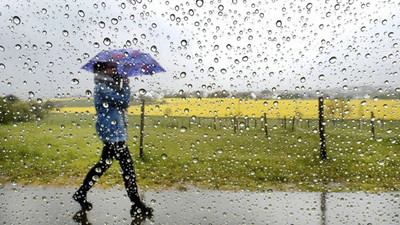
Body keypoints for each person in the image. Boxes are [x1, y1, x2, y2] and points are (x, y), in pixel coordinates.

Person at [73, 61, 153, 218]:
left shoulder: (109, 86)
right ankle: (137, 205)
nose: (115, 70)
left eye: (115, 67)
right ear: (103, 70)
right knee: (128, 169)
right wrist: (127, 86)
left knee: (103, 164)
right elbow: (123, 102)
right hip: (112, 134)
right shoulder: (102, 88)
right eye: (111, 68)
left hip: (115, 132)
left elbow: (120, 105)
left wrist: (122, 83)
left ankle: (81, 193)